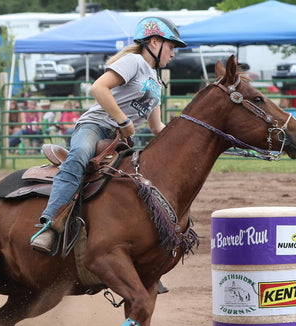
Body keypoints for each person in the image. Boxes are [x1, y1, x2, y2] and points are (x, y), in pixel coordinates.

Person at [30, 16, 187, 254]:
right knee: (79, 156)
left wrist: (182, 142)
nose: (173, 53)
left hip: (120, 140)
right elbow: (98, 88)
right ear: (154, 42)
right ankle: (50, 225)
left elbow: (157, 127)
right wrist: (122, 121)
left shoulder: (156, 81)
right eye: (172, 46)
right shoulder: (133, 62)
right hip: (95, 126)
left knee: (138, 181)